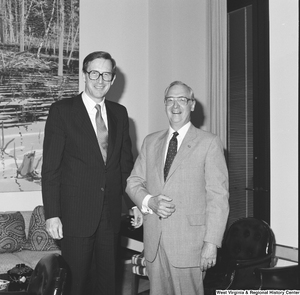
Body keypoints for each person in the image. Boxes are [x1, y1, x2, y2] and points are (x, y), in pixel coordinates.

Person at [42, 51, 139, 295]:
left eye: (106, 74)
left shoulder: (119, 113)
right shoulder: (62, 111)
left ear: (113, 79)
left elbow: (124, 165)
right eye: (94, 73)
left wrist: (134, 202)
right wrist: (52, 214)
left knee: (107, 285)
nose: (100, 79)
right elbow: (51, 168)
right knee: (75, 285)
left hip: (109, 218)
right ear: (85, 75)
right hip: (75, 219)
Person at [126, 81, 229, 295]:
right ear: (165, 104)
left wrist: (211, 244)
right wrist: (149, 202)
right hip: (154, 244)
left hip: (190, 246)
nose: (175, 106)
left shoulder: (209, 143)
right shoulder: (150, 141)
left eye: (182, 99)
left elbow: (218, 198)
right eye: (170, 100)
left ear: (192, 105)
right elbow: (133, 182)